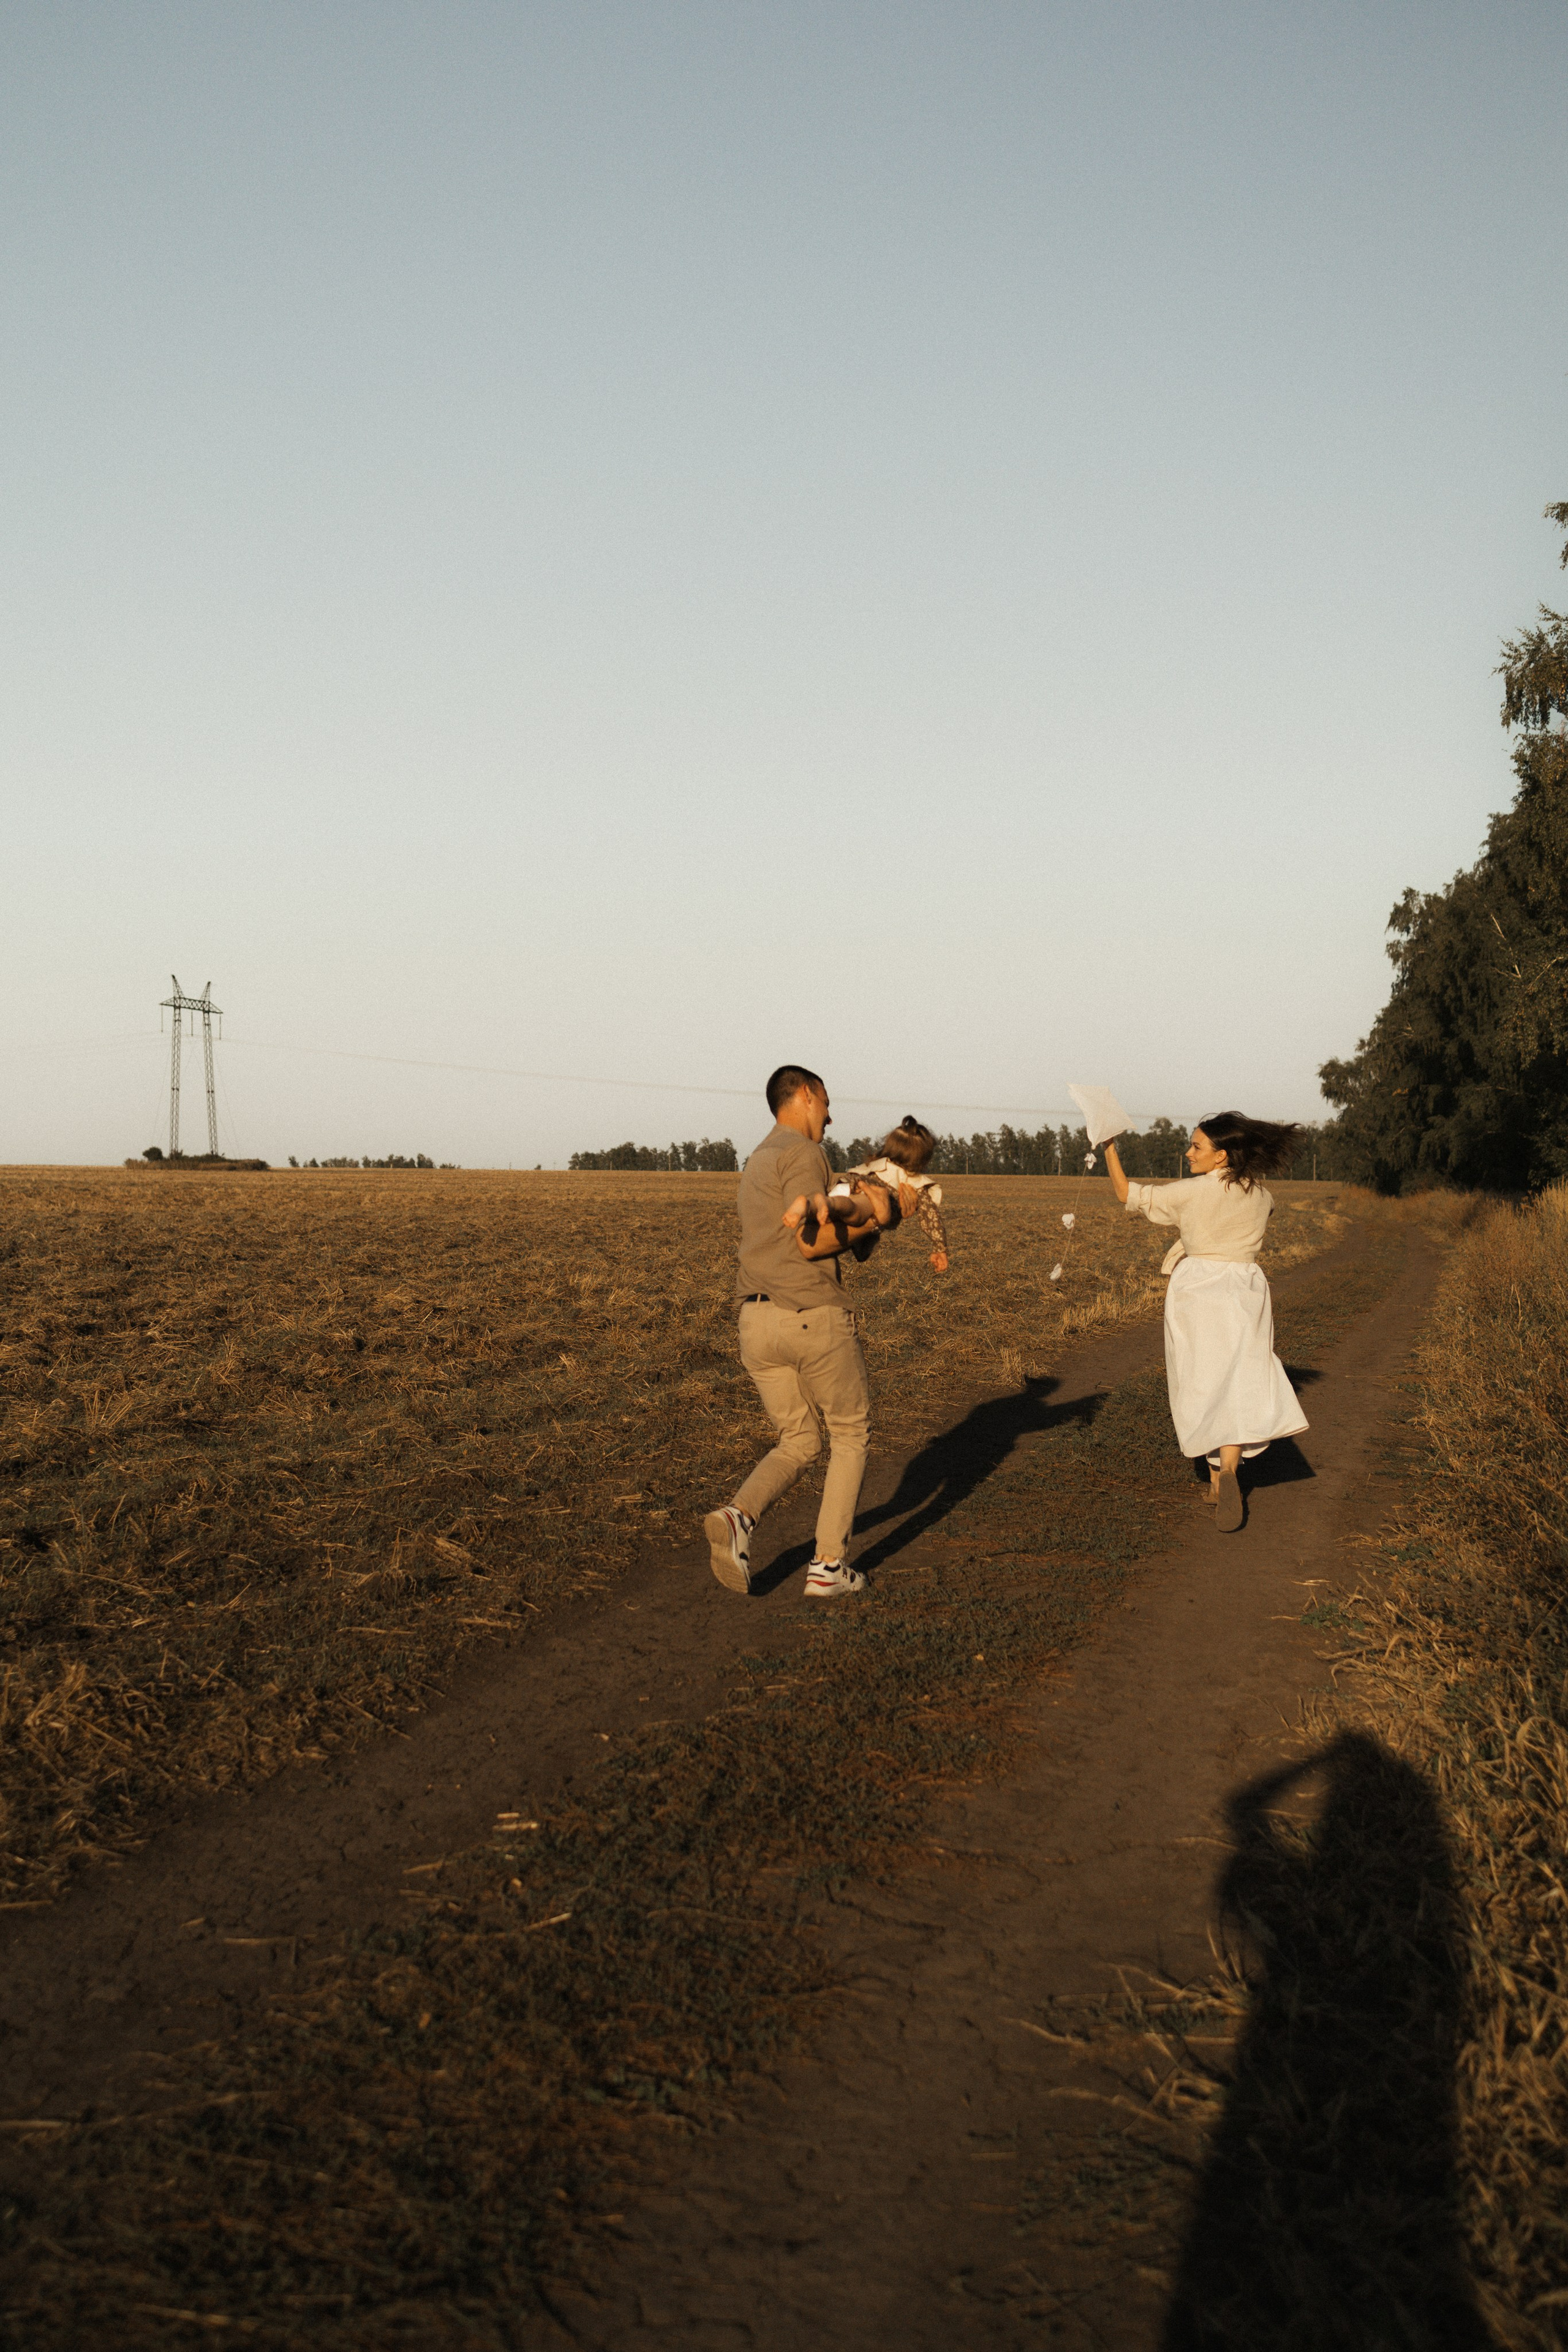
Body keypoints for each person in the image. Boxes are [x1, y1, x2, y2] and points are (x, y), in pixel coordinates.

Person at [703, 1065, 892, 1599]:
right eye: (827, 1101)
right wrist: (877, 1217)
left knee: (799, 1438)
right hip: (810, 1314)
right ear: (806, 1096)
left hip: (754, 1322)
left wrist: (858, 1231)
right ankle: (829, 1566)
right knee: (851, 1433)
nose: (831, 1115)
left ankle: (739, 1517)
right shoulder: (804, 1153)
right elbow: (812, 1244)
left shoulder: (757, 1159)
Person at [1104, 1112, 1306, 1534]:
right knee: (1237, 1379)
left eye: (1196, 1146)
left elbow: (1127, 1194)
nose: (1188, 1152)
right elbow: (1262, 1216)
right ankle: (1226, 1475)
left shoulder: (1191, 1191)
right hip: (1247, 1287)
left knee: (1200, 1380)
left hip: (1198, 1288)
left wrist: (1107, 1145)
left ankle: (1216, 1480)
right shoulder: (1261, 1194)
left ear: (1221, 1156)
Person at [785, 1115, 952, 1272]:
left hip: (845, 1186)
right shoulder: (915, 1182)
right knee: (853, 1211)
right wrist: (940, 1248)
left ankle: (810, 1205)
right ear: (923, 1160)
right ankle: (827, 1204)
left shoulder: (877, 1165)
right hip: (868, 1199)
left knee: (830, 1212)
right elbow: (931, 1218)